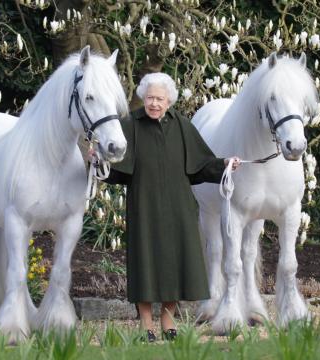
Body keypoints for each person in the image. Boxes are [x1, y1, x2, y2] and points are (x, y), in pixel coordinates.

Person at [100, 72, 241, 342]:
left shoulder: (182, 125)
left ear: (169, 101)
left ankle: (168, 319)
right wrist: (99, 162)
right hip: (144, 207)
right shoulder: (129, 124)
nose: (154, 103)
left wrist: (225, 164)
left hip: (179, 208)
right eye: (150, 97)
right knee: (145, 264)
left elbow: (201, 166)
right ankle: (146, 324)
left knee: (177, 263)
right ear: (143, 97)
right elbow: (116, 171)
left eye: (160, 99)